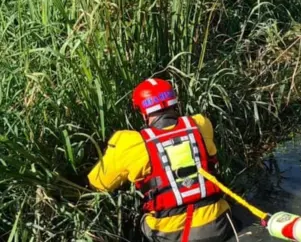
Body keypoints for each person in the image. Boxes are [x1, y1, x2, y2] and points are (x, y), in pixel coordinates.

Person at [87, 78, 237, 242]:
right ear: (174, 102)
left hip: (167, 235)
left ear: (143, 113)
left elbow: (98, 184)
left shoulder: (130, 143)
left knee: (139, 220)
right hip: (218, 224)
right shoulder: (200, 124)